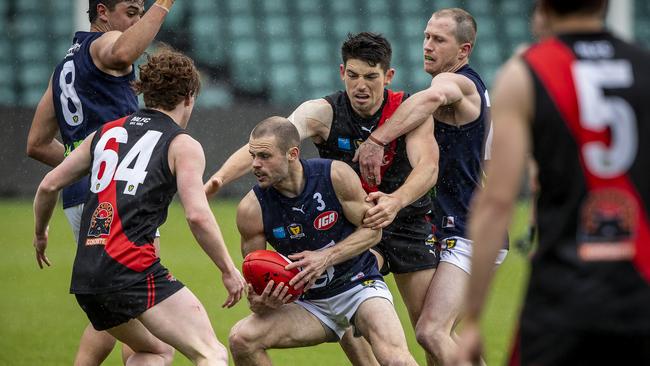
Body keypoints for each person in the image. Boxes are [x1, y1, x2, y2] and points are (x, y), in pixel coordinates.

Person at [205, 32, 439, 365]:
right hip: (348, 222)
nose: (361, 85)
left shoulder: (408, 109)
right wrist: (220, 178)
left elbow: (428, 168)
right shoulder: (323, 113)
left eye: (371, 77)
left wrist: (395, 201)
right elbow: (273, 140)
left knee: (429, 332)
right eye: (353, 75)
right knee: (341, 295)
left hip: (405, 221)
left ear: (387, 76)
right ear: (342, 72)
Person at [457, 0, 650, 364]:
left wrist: (472, 320)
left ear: (543, 8)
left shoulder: (525, 73)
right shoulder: (644, 67)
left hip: (561, 297)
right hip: (639, 292)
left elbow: (497, 202)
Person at [32, 48, 246, 366]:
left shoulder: (105, 134)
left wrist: (40, 234)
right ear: (189, 97)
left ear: (146, 92)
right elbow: (198, 215)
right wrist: (229, 271)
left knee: (155, 351)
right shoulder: (182, 144)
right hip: (129, 268)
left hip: (88, 276)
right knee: (210, 353)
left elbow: (49, 185)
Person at [354, 8, 508, 365]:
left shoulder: (457, 83)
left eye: (439, 40)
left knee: (431, 331)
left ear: (463, 51)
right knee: (438, 335)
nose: (427, 46)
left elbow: (428, 99)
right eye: (426, 36)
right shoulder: (461, 88)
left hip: (472, 229)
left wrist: (377, 139)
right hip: (450, 224)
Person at [26, 1, 176, 364]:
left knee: (111, 307)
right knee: (143, 309)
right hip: (117, 199)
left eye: (141, 12)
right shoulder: (103, 46)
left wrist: (85, 163)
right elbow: (124, 49)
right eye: (131, 11)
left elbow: (36, 143)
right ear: (103, 13)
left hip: (80, 198)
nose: (137, 20)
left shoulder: (66, 65)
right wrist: (163, 5)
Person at [228, 117, 417, 366]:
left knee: (396, 361)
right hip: (309, 303)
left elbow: (373, 232)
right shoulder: (252, 209)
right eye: (253, 156)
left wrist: (325, 257)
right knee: (241, 339)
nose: (255, 165)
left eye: (264, 156)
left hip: (359, 287)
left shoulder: (334, 175)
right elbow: (257, 284)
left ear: (292, 154)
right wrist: (262, 303)